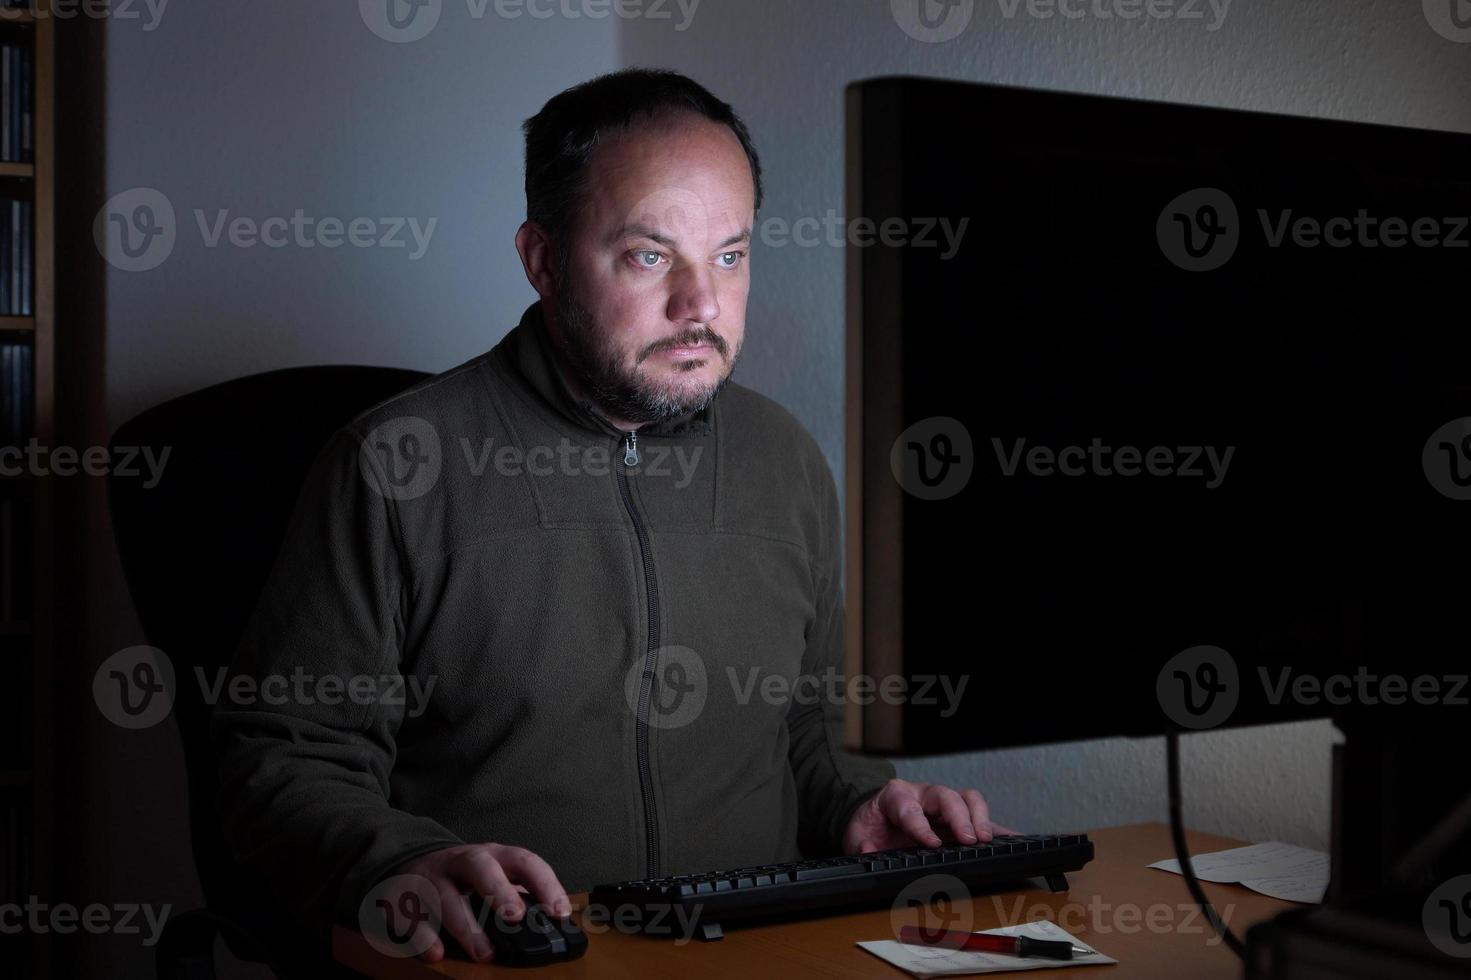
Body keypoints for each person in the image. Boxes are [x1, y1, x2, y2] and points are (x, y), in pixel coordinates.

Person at [213, 67, 1006, 965]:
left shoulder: (782, 459)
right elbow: (282, 760)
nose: (701, 305)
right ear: (544, 262)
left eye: (730, 255)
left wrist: (864, 803)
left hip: (762, 956)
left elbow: (813, 727)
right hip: (510, 961)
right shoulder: (395, 465)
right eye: (648, 255)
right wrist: (407, 859)